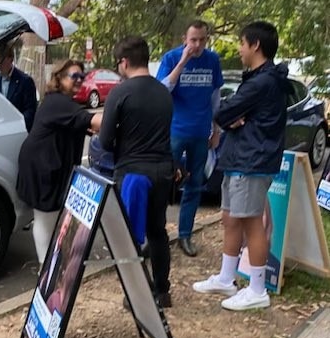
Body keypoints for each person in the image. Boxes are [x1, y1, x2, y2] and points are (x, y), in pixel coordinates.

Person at [193, 20, 289, 311]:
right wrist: (232, 115)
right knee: (231, 218)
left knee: (251, 222)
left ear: (255, 45)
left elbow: (223, 110)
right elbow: (227, 113)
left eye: (242, 43)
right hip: (238, 157)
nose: (239, 49)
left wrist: (231, 114)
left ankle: (258, 289)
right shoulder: (257, 78)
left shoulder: (264, 81)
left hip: (253, 160)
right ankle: (226, 277)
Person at [100, 36, 175, 308]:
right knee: (158, 231)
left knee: (129, 236)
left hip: (133, 173)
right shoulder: (163, 91)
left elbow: (105, 141)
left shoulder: (121, 93)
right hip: (163, 169)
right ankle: (162, 290)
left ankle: (137, 295)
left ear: (124, 62)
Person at [17, 59, 101, 264]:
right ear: (59, 78)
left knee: (50, 217)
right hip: (42, 168)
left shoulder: (62, 103)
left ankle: (50, 263)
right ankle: (46, 268)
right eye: (74, 76)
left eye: (82, 77)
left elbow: (83, 127)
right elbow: (96, 121)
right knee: (46, 218)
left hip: (49, 164)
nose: (80, 80)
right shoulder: (58, 102)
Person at [156, 19, 223, 257]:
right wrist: (183, 61)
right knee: (164, 184)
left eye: (202, 40)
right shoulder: (172, 58)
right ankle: (156, 235)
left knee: (194, 185)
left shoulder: (213, 60)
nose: (197, 45)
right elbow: (162, 90)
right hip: (174, 131)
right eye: (193, 40)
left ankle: (185, 235)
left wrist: (216, 130)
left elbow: (216, 98)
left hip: (200, 132)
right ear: (185, 39)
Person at [0, 43, 37, 131]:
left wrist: (17, 126)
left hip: (17, 131)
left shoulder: (25, 81)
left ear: (10, 59)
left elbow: (30, 111)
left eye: (1, 63)